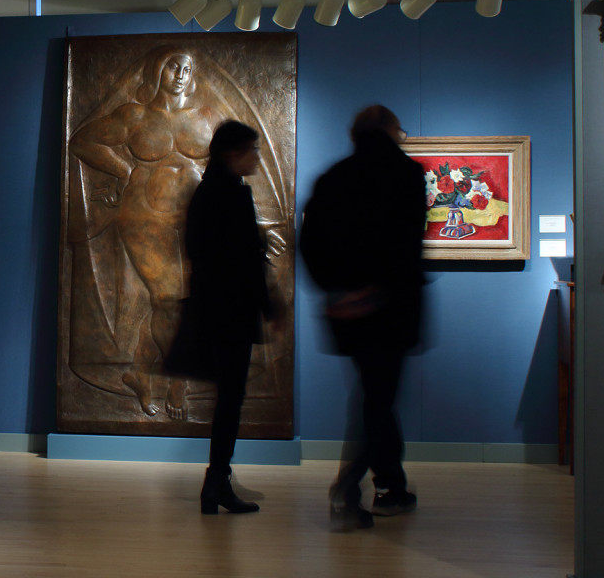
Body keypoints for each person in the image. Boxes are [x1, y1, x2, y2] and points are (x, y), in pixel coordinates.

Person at [69, 45, 222, 419]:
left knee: (183, 300)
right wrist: (124, 170)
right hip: (143, 216)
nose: (181, 73)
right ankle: (178, 382)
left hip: (194, 216)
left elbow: (232, 158)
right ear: (156, 72)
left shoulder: (207, 116)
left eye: (186, 67)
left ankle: (140, 373)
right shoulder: (134, 115)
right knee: (168, 297)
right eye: (173, 66)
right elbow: (82, 140)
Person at [301, 105, 426, 529]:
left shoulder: (333, 177)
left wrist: (337, 290)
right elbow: (405, 243)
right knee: (377, 399)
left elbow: (310, 242)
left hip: (346, 310)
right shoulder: (406, 174)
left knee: (376, 396)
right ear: (391, 131)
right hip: (391, 307)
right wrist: (379, 290)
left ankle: (391, 485)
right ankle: (348, 489)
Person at [180, 121, 275, 514]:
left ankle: (216, 481)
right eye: (251, 150)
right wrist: (270, 305)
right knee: (230, 400)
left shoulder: (207, 191)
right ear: (232, 153)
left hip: (214, 309)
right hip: (231, 311)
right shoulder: (231, 195)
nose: (256, 157)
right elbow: (245, 259)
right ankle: (216, 481)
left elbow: (198, 250)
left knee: (228, 398)